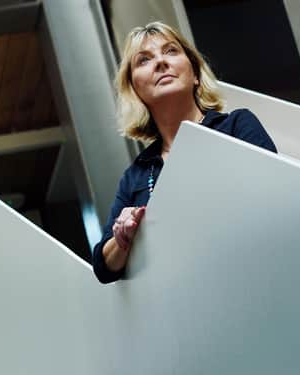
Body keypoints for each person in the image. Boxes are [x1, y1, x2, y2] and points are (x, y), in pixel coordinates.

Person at [92, 21, 277, 284]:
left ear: (196, 74)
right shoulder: (137, 173)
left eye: (170, 51)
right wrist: (122, 238)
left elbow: (276, 195)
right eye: (144, 60)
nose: (160, 62)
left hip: (256, 274)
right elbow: (102, 267)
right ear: (135, 90)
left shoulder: (237, 126)